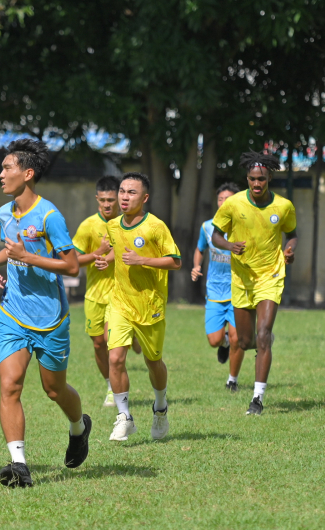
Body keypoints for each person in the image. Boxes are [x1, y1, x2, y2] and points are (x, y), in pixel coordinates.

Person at [0, 139, 91, 488]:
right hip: (13, 313)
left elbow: (71, 266)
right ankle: (19, 464)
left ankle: (79, 427)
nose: (1, 174)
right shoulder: (4, 213)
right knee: (10, 385)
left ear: (27, 174)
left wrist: (29, 258)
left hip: (50, 317)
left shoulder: (49, 216)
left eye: (7, 168)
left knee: (54, 390)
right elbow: (11, 248)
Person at [94, 172, 181, 441]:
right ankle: (124, 417)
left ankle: (160, 407)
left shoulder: (156, 227)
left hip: (150, 305)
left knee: (153, 362)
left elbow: (175, 261)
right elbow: (119, 248)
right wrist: (108, 259)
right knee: (115, 358)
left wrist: (142, 260)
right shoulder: (113, 225)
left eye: (131, 192)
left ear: (144, 198)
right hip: (120, 302)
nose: (124, 197)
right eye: (122, 191)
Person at [210, 152, 297, 416]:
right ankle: (261, 338)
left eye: (261, 179)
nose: (256, 183)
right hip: (242, 277)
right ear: (246, 178)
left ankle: (257, 399)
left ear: (269, 178)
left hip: (270, 276)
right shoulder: (233, 204)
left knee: (263, 335)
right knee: (246, 341)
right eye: (252, 179)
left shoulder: (283, 206)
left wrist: (289, 251)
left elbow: (292, 234)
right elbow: (215, 236)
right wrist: (229, 245)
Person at [73, 175, 124, 408]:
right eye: (103, 200)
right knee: (97, 344)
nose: (107, 204)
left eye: (111, 200)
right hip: (94, 294)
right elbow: (73, 261)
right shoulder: (88, 226)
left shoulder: (127, 223)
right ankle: (110, 385)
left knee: (110, 342)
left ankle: (117, 390)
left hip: (120, 294)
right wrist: (98, 252)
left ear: (119, 199)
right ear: (97, 199)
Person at [192, 183, 245, 390]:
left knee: (237, 338)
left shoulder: (243, 227)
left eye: (228, 199)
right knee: (214, 340)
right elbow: (200, 249)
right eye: (220, 199)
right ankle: (223, 343)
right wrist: (196, 266)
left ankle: (232, 380)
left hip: (238, 290)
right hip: (214, 290)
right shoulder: (207, 226)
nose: (223, 203)